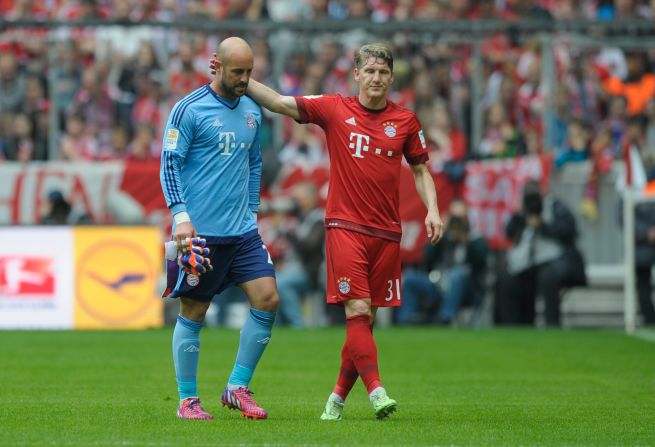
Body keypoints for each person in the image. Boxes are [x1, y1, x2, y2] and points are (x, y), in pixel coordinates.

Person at [215, 42, 444, 420]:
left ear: (391, 77)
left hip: (386, 233)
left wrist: (433, 209)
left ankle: (336, 399)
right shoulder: (335, 108)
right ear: (356, 74)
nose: (376, 78)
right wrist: (239, 78)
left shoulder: (405, 121)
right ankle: (377, 392)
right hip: (344, 227)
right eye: (369, 71)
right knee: (356, 309)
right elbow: (278, 102)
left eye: (383, 72)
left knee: (364, 323)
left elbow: (420, 170)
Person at [160, 37, 279, 421]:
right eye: (238, 72)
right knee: (194, 312)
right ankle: (187, 400)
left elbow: (254, 163)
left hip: (242, 232)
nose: (245, 80)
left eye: (249, 72)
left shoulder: (252, 111)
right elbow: (169, 164)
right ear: (218, 67)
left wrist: (252, 210)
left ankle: (237, 387)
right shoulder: (188, 110)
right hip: (200, 235)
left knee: (267, 298)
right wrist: (181, 216)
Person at [496, 180, 587, 327]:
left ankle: (552, 324)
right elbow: (508, 233)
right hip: (528, 263)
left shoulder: (556, 206)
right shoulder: (523, 211)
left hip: (555, 261)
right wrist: (518, 214)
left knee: (547, 276)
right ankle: (513, 326)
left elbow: (570, 231)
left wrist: (542, 225)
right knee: (506, 278)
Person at [399, 198, 488, 325]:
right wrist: (439, 233)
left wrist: (466, 240)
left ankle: (445, 318)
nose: (456, 222)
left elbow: (481, 262)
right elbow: (427, 257)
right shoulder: (444, 236)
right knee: (409, 278)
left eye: (460, 218)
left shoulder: (475, 237)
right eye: (454, 217)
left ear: (467, 218)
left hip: (466, 288)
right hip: (438, 283)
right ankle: (406, 319)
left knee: (457, 275)